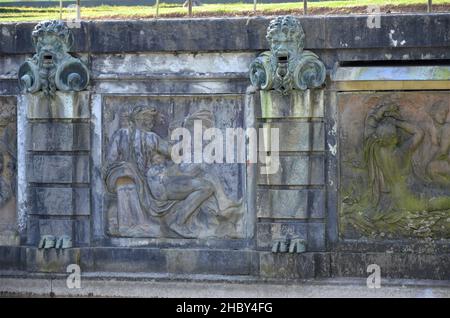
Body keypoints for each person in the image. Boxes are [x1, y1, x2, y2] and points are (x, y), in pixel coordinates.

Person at [105, 105, 241, 238]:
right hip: (159, 182)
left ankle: (223, 203)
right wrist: (184, 128)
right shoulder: (151, 137)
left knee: (202, 169)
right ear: (139, 119)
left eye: (151, 118)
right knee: (205, 183)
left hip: (159, 179)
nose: (151, 121)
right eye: (148, 118)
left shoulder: (124, 135)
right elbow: (174, 152)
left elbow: (110, 161)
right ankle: (180, 221)